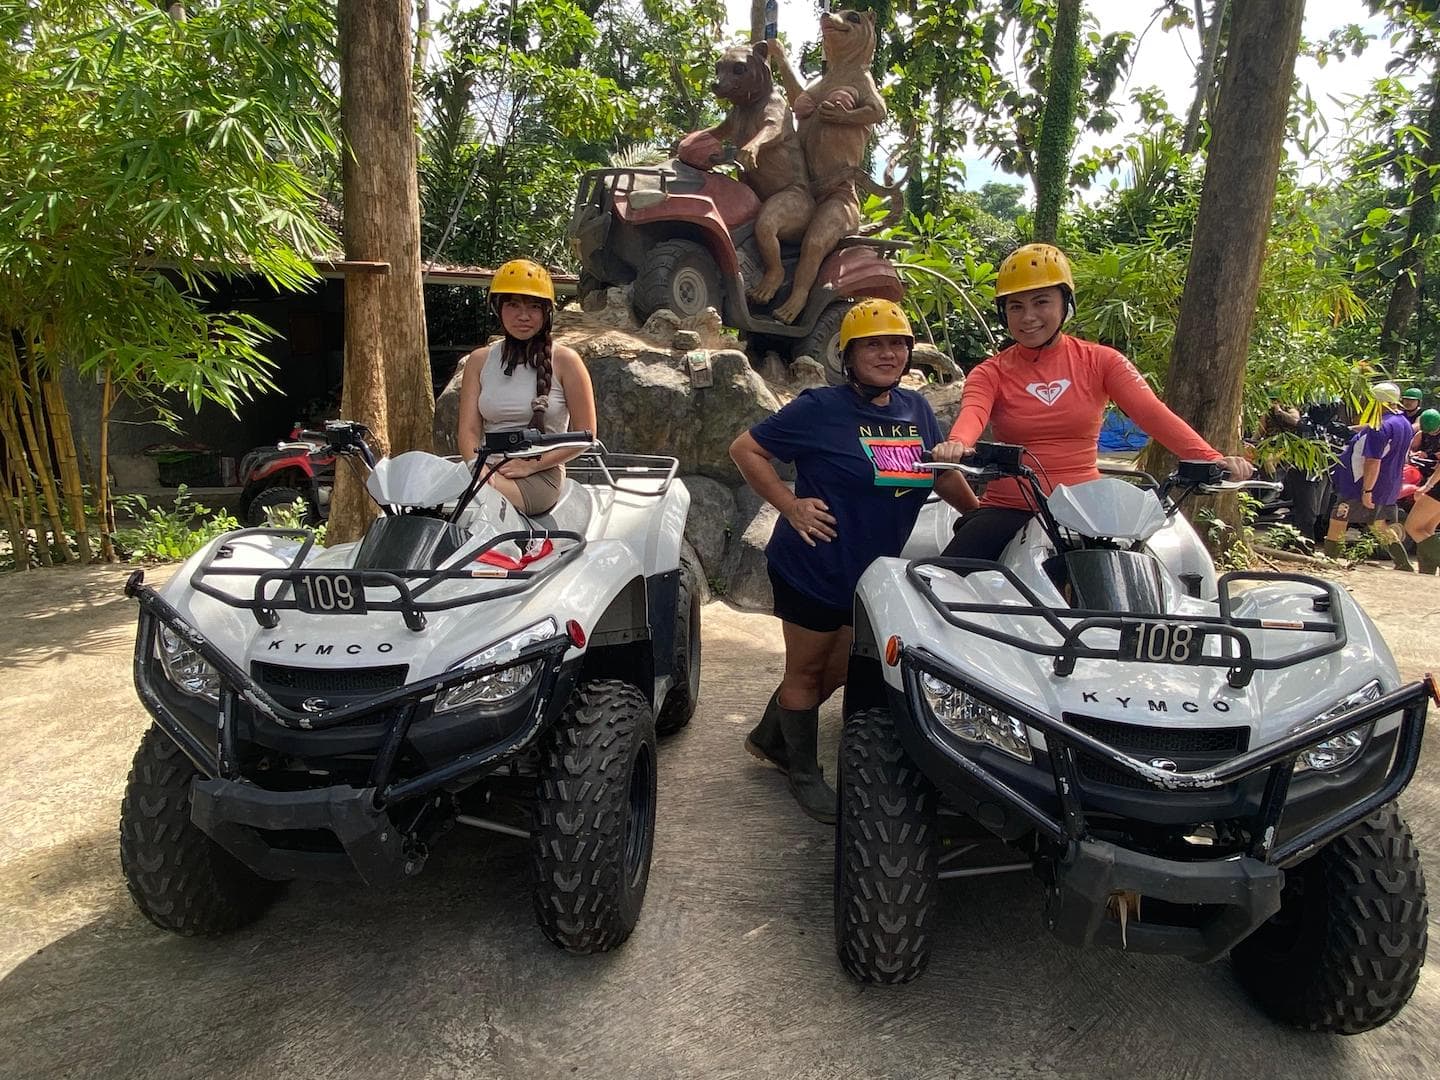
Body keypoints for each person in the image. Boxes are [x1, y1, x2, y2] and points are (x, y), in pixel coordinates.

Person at [729, 299, 977, 822]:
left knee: (840, 669)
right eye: (873, 345)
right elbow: (745, 449)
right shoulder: (819, 408)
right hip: (814, 566)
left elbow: (940, 474)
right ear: (848, 355)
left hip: (870, 575)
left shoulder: (916, 410)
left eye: (897, 344)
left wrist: (979, 516)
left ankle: (770, 736)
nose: (887, 354)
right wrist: (790, 504)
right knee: (806, 671)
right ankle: (802, 771)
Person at [931, 243, 1251, 558]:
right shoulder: (990, 372)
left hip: (1087, 514)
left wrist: (1211, 459)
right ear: (1004, 313)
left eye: (1041, 302)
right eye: (1016, 306)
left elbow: (1151, 413)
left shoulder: (1102, 361)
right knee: (944, 580)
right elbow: (973, 412)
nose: (1028, 316)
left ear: (1066, 303)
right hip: (1009, 510)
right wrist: (957, 444)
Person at [456, 259, 596, 515]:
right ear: (498, 308)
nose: (523, 316)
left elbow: (585, 437)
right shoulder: (479, 361)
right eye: (513, 305)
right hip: (486, 469)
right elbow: (469, 430)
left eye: (534, 307)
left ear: (546, 312)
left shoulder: (566, 361)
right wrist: (477, 468)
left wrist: (532, 465)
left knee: (472, 498)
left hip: (539, 475)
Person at [1322, 381, 1415, 568]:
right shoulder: (1403, 423)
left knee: (1339, 517)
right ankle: (1403, 563)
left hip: (1361, 484)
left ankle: (1330, 561)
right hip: (1387, 484)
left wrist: (1367, 491)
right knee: (1378, 524)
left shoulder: (1380, 426)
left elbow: (1373, 461)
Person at [1411, 408, 1440, 480]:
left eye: (1433, 431)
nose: (1430, 433)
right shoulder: (1421, 434)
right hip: (1422, 467)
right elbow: (1410, 451)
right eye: (1427, 431)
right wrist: (1416, 454)